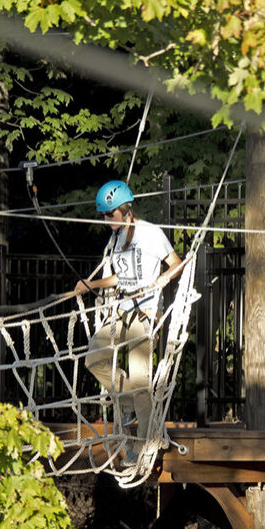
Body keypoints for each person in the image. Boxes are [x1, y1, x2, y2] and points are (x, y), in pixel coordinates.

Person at [75, 180, 183, 454]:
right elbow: (120, 277)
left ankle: (142, 445)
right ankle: (124, 404)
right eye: (104, 215)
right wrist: (92, 285)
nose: (106, 219)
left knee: (140, 381)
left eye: (110, 214)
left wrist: (161, 281)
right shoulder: (117, 239)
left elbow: (177, 263)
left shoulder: (150, 233)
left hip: (144, 313)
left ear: (125, 209)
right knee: (94, 359)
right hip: (121, 310)